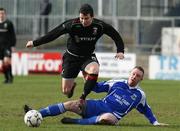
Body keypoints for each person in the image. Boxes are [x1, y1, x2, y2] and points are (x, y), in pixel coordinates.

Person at [26, 4, 125, 101]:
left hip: (88, 57)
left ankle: (83, 97)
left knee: (94, 70)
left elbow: (115, 35)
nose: (83, 21)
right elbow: (53, 34)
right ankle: (72, 86)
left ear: (92, 17)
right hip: (71, 58)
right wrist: (35, 43)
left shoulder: (100, 26)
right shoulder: (72, 24)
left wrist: (120, 50)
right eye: (81, 18)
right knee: (66, 91)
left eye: (86, 18)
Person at [24, 66, 168, 126]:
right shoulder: (117, 82)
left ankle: (74, 122)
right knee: (70, 104)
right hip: (97, 105)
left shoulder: (139, 95)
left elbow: (146, 109)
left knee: (109, 119)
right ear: (130, 73)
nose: (134, 77)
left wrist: (155, 123)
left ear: (141, 79)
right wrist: (88, 78)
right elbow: (98, 87)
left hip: (110, 115)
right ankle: (37, 113)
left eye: (138, 76)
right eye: (133, 74)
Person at [0, 8, 16, 84]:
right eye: (0, 13)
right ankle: (6, 78)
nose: (1, 15)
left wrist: (13, 45)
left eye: (2, 13)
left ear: (5, 14)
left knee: (7, 61)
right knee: (3, 63)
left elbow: (13, 35)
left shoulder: (9, 23)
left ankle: (10, 77)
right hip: (0, 47)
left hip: (7, 46)